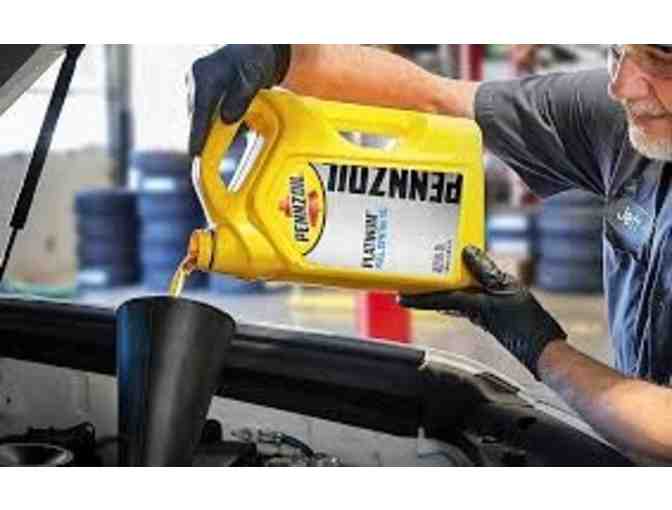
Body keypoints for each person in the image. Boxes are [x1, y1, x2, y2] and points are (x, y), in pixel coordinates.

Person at [186, 45, 672, 462]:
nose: (621, 85)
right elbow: (434, 97)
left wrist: (539, 344)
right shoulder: (624, 117)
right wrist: (281, 56)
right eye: (617, 50)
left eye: (659, 58)